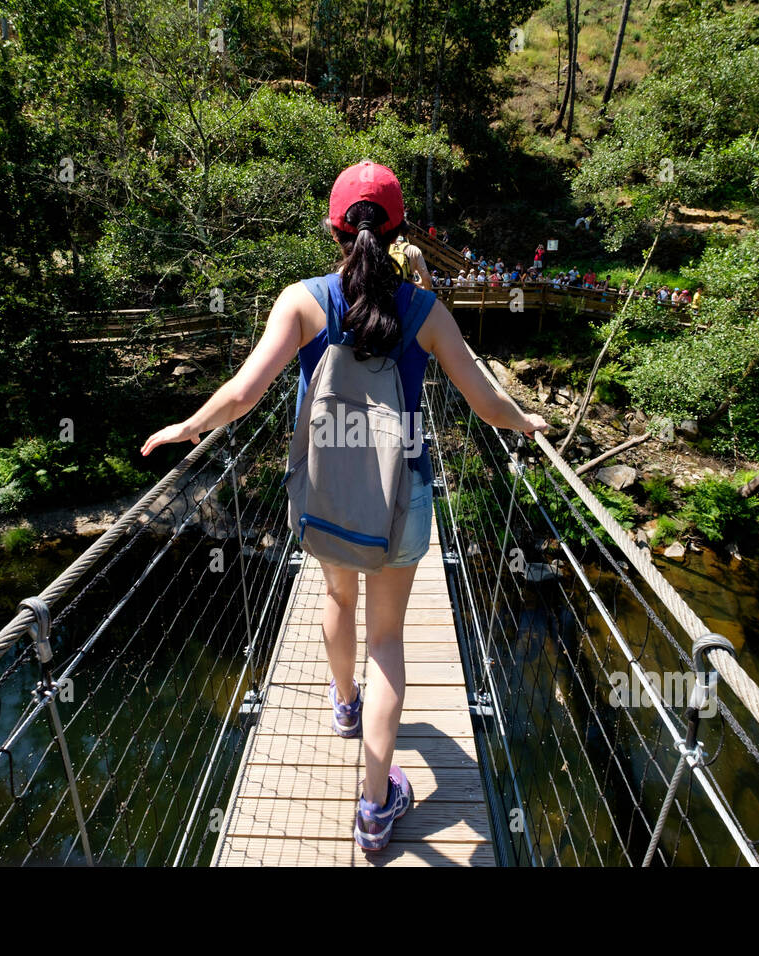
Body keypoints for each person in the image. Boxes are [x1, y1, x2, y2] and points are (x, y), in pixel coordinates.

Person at [140, 160, 547, 851]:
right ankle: (374, 804)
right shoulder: (426, 309)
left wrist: (187, 426)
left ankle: (343, 705)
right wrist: (525, 422)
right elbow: (483, 399)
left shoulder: (302, 301)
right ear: (397, 232)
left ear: (334, 226)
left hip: (327, 490)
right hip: (404, 494)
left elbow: (243, 394)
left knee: (337, 600)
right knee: (388, 641)